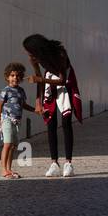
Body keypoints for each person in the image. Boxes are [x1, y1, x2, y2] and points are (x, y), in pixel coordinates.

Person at [25, 34, 82, 177]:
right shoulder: (34, 58)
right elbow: (39, 80)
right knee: (50, 122)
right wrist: (38, 101)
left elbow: (62, 80)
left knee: (66, 121)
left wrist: (40, 78)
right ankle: (54, 163)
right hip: (49, 80)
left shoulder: (60, 53)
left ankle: (68, 163)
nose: (28, 54)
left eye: (29, 50)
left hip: (66, 81)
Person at [0, 62, 37, 178]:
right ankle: (3, 170)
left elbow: (23, 104)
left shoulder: (21, 91)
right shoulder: (6, 91)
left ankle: (9, 169)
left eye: (17, 75)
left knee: (13, 146)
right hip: (7, 119)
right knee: (7, 144)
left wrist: (35, 110)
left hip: (17, 121)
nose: (15, 78)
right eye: (12, 75)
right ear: (7, 77)